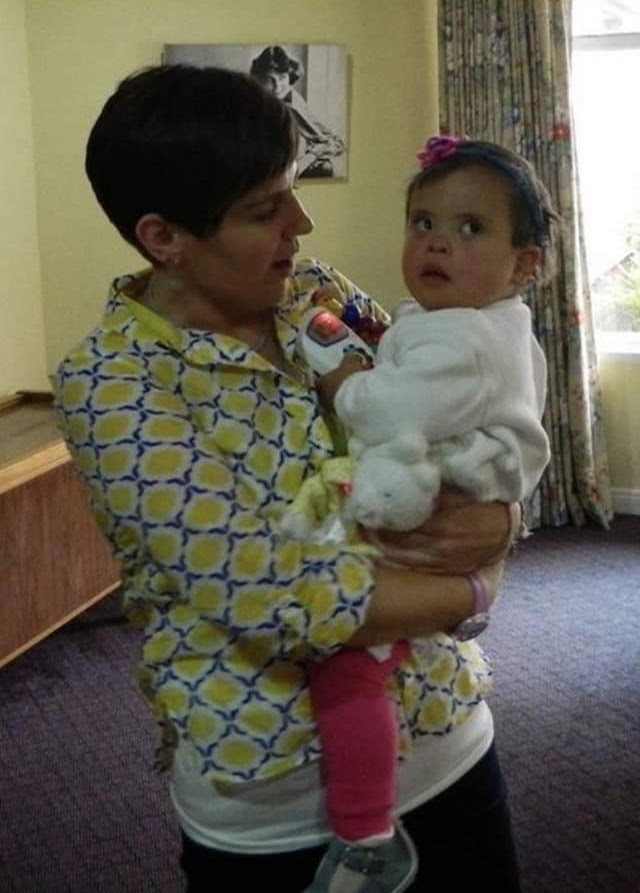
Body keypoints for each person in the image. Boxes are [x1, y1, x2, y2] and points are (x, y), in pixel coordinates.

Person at [53, 64, 522, 893]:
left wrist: (505, 517)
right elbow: (277, 599)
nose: (301, 224)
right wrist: (478, 584)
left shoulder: (318, 292)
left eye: (292, 192)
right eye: (265, 209)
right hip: (280, 806)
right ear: (164, 237)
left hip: (449, 737)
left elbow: (454, 419)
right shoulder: (113, 381)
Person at [291, 135, 559, 892]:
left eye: (471, 228)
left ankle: (365, 834)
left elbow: (391, 409)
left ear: (524, 265)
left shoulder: (464, 335)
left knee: (348, 668)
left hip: (431, 497)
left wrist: (344, 379)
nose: (438, 242)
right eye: (423, 223)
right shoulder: (478, 319)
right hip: (456, 494)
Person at [250, 45, 345, 178]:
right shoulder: (253, 97)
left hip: (278, 170)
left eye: (282, 78)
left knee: (325, 168)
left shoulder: (291, 101)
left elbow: (335, 143)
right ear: (259, 78)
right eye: (270, 80)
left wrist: (310, 156)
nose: (277, 86)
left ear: (289, 77)